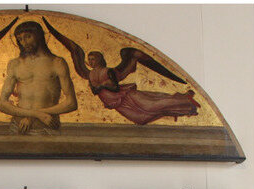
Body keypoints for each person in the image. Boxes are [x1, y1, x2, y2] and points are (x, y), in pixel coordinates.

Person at [42, 17, 199, 125]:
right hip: (115, 103)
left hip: (125, 96)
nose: (91, 61)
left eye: (94, 59)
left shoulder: (109, 71)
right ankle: (178, 110)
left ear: (100, 59)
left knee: (152, 105)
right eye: (90, 59)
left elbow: (114, 86)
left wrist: (101, 86)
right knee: (141, 119)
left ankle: (185, 98)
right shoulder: (88, 74)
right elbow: (74, 49)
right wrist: (53, 32)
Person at [0, 21, 77, 135]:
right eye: (20, 39)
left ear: (39, 36)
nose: (24, 42)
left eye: (28, 37)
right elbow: (2, 104)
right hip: (18, 127)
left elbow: (71, 103)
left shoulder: (57, 63)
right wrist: (37, 114)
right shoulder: (15, 64)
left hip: (46, 128)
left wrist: (31, 117)